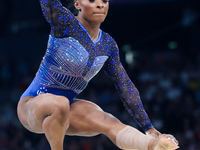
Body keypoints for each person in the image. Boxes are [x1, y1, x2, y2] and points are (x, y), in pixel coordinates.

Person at [17, 0, 179, 149]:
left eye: (104, 1)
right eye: (93, 0)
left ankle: (153, 146)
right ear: (78, 3)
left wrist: (149, 128)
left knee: (107, 120)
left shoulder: (108, 45)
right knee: (59, 103)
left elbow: (125, 86)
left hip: (66, 111)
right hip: (32, 105)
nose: (100, 5)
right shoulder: (65, 23)